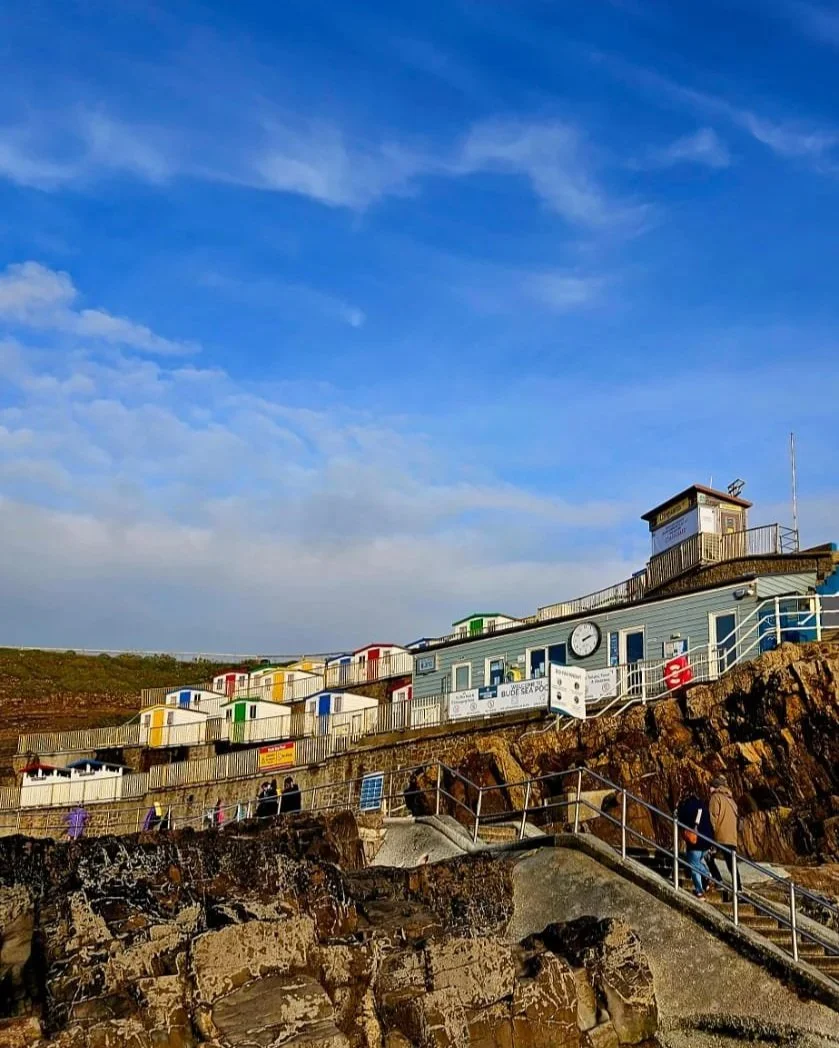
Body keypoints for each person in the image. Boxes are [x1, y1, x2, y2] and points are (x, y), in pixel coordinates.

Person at [707, 774, 740, 901]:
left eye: (710, 786)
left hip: (720, 836)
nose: (709, 789)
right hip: (732, 837)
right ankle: (739, 888)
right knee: (732, 864)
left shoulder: (715, 798)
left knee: (708, 856)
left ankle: (717, 879)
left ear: (715, 787)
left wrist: (711, 836)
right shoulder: (731, 800)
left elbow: (713, 818)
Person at [676, 793, 714, 899]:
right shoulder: (703, 806)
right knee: (697, 862)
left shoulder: (686, 808)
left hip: (695, 842)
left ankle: (700, 889)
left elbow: (680, 821)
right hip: (707, 841)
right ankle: (705, 881)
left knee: (693, 865)